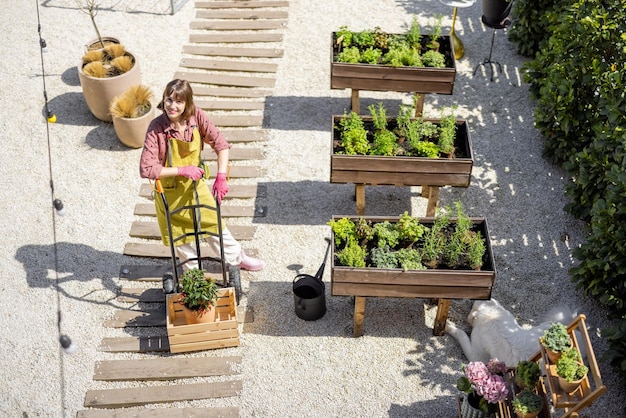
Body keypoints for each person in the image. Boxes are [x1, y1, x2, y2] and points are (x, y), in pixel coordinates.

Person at [139, 79, 265, 272]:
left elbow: (221, 145)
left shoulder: (196, 117)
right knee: (179, 236)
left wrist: (221, 177)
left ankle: (237, 258)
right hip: (170, 193)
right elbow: (146, 168)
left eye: (178, 102)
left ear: (187, 103)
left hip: (195, 188)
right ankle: (194, 275)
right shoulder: (156, 128)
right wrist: (181, 170)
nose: (172, 106)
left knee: (213, 222)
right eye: (169, 100)